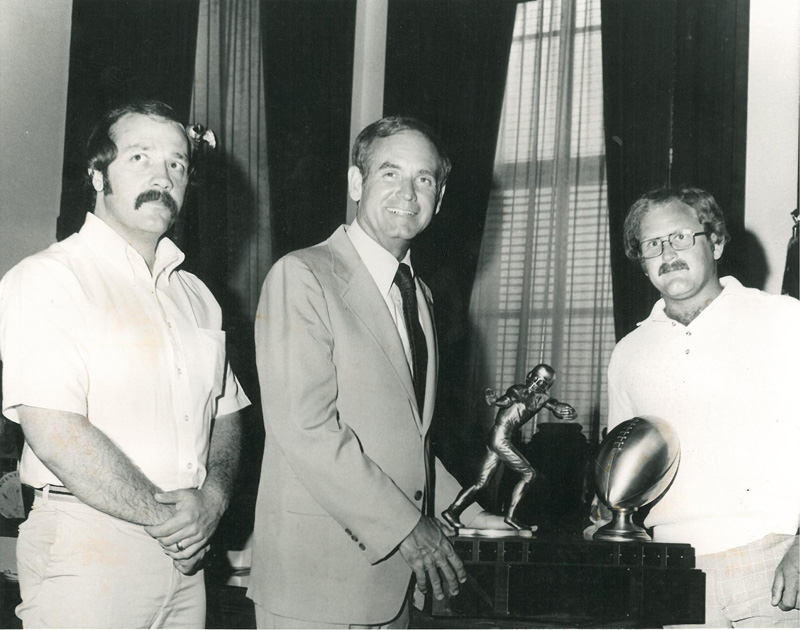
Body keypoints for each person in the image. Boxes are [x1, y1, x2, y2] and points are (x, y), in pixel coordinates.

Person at [0, 99, 250, 628]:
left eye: (177, 164)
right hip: (88, 549)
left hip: (187, 559)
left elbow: (227, 415)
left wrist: (214, 500)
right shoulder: (49, 279)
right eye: (140, 158)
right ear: (97, 175)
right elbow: (55, 431)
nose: (163, 176)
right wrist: (173, 520)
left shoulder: (198, 296)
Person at [248, 116, 505, 628]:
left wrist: (472, 513)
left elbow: (409, 444)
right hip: (316, 581)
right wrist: (410, 527)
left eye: (424, 179)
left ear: (441, 196)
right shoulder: (302, 275)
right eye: (390, 173)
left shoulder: (420, 295)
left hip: (394, 587)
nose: (408, 193)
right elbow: (305, 429)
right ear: (355, 183)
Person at [604, 186, 800, 626]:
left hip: (776, 561)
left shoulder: (786, 319)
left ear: (715, 242)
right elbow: (623, 467)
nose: (667, 253)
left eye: (680, 237)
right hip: (671, 568)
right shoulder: (629, 352)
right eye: (652, 244)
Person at [442, 364, 576, 530]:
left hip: (497, 438)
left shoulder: (542, 398)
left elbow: (555, 406)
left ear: (546, 387)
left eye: (542, 383)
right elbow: (506, 400)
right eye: (536, 379)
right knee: (529, 474)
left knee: (482, 482)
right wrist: (494, 401)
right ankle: (511, 517)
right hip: (500, 438)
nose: (537, 384)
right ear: (529, 375)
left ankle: (452, 511)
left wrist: (566, 411)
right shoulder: (519, 390)